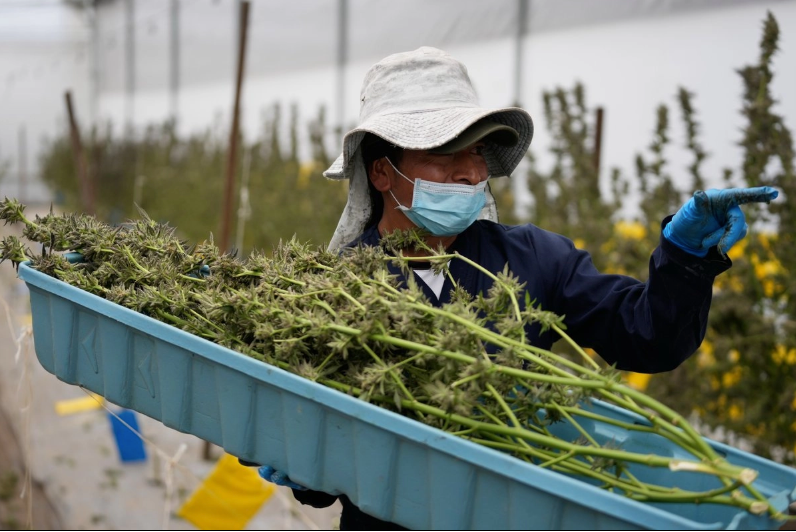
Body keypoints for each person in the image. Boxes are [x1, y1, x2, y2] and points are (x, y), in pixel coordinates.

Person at [246, 47, 778, 530]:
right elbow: (326, 466)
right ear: (383, 173)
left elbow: (651, 338)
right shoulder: (331, 293)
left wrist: (684, 258)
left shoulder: (534, 259)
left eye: (476, 151)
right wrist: (298, 459)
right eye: (444, 153)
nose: (468, 171)